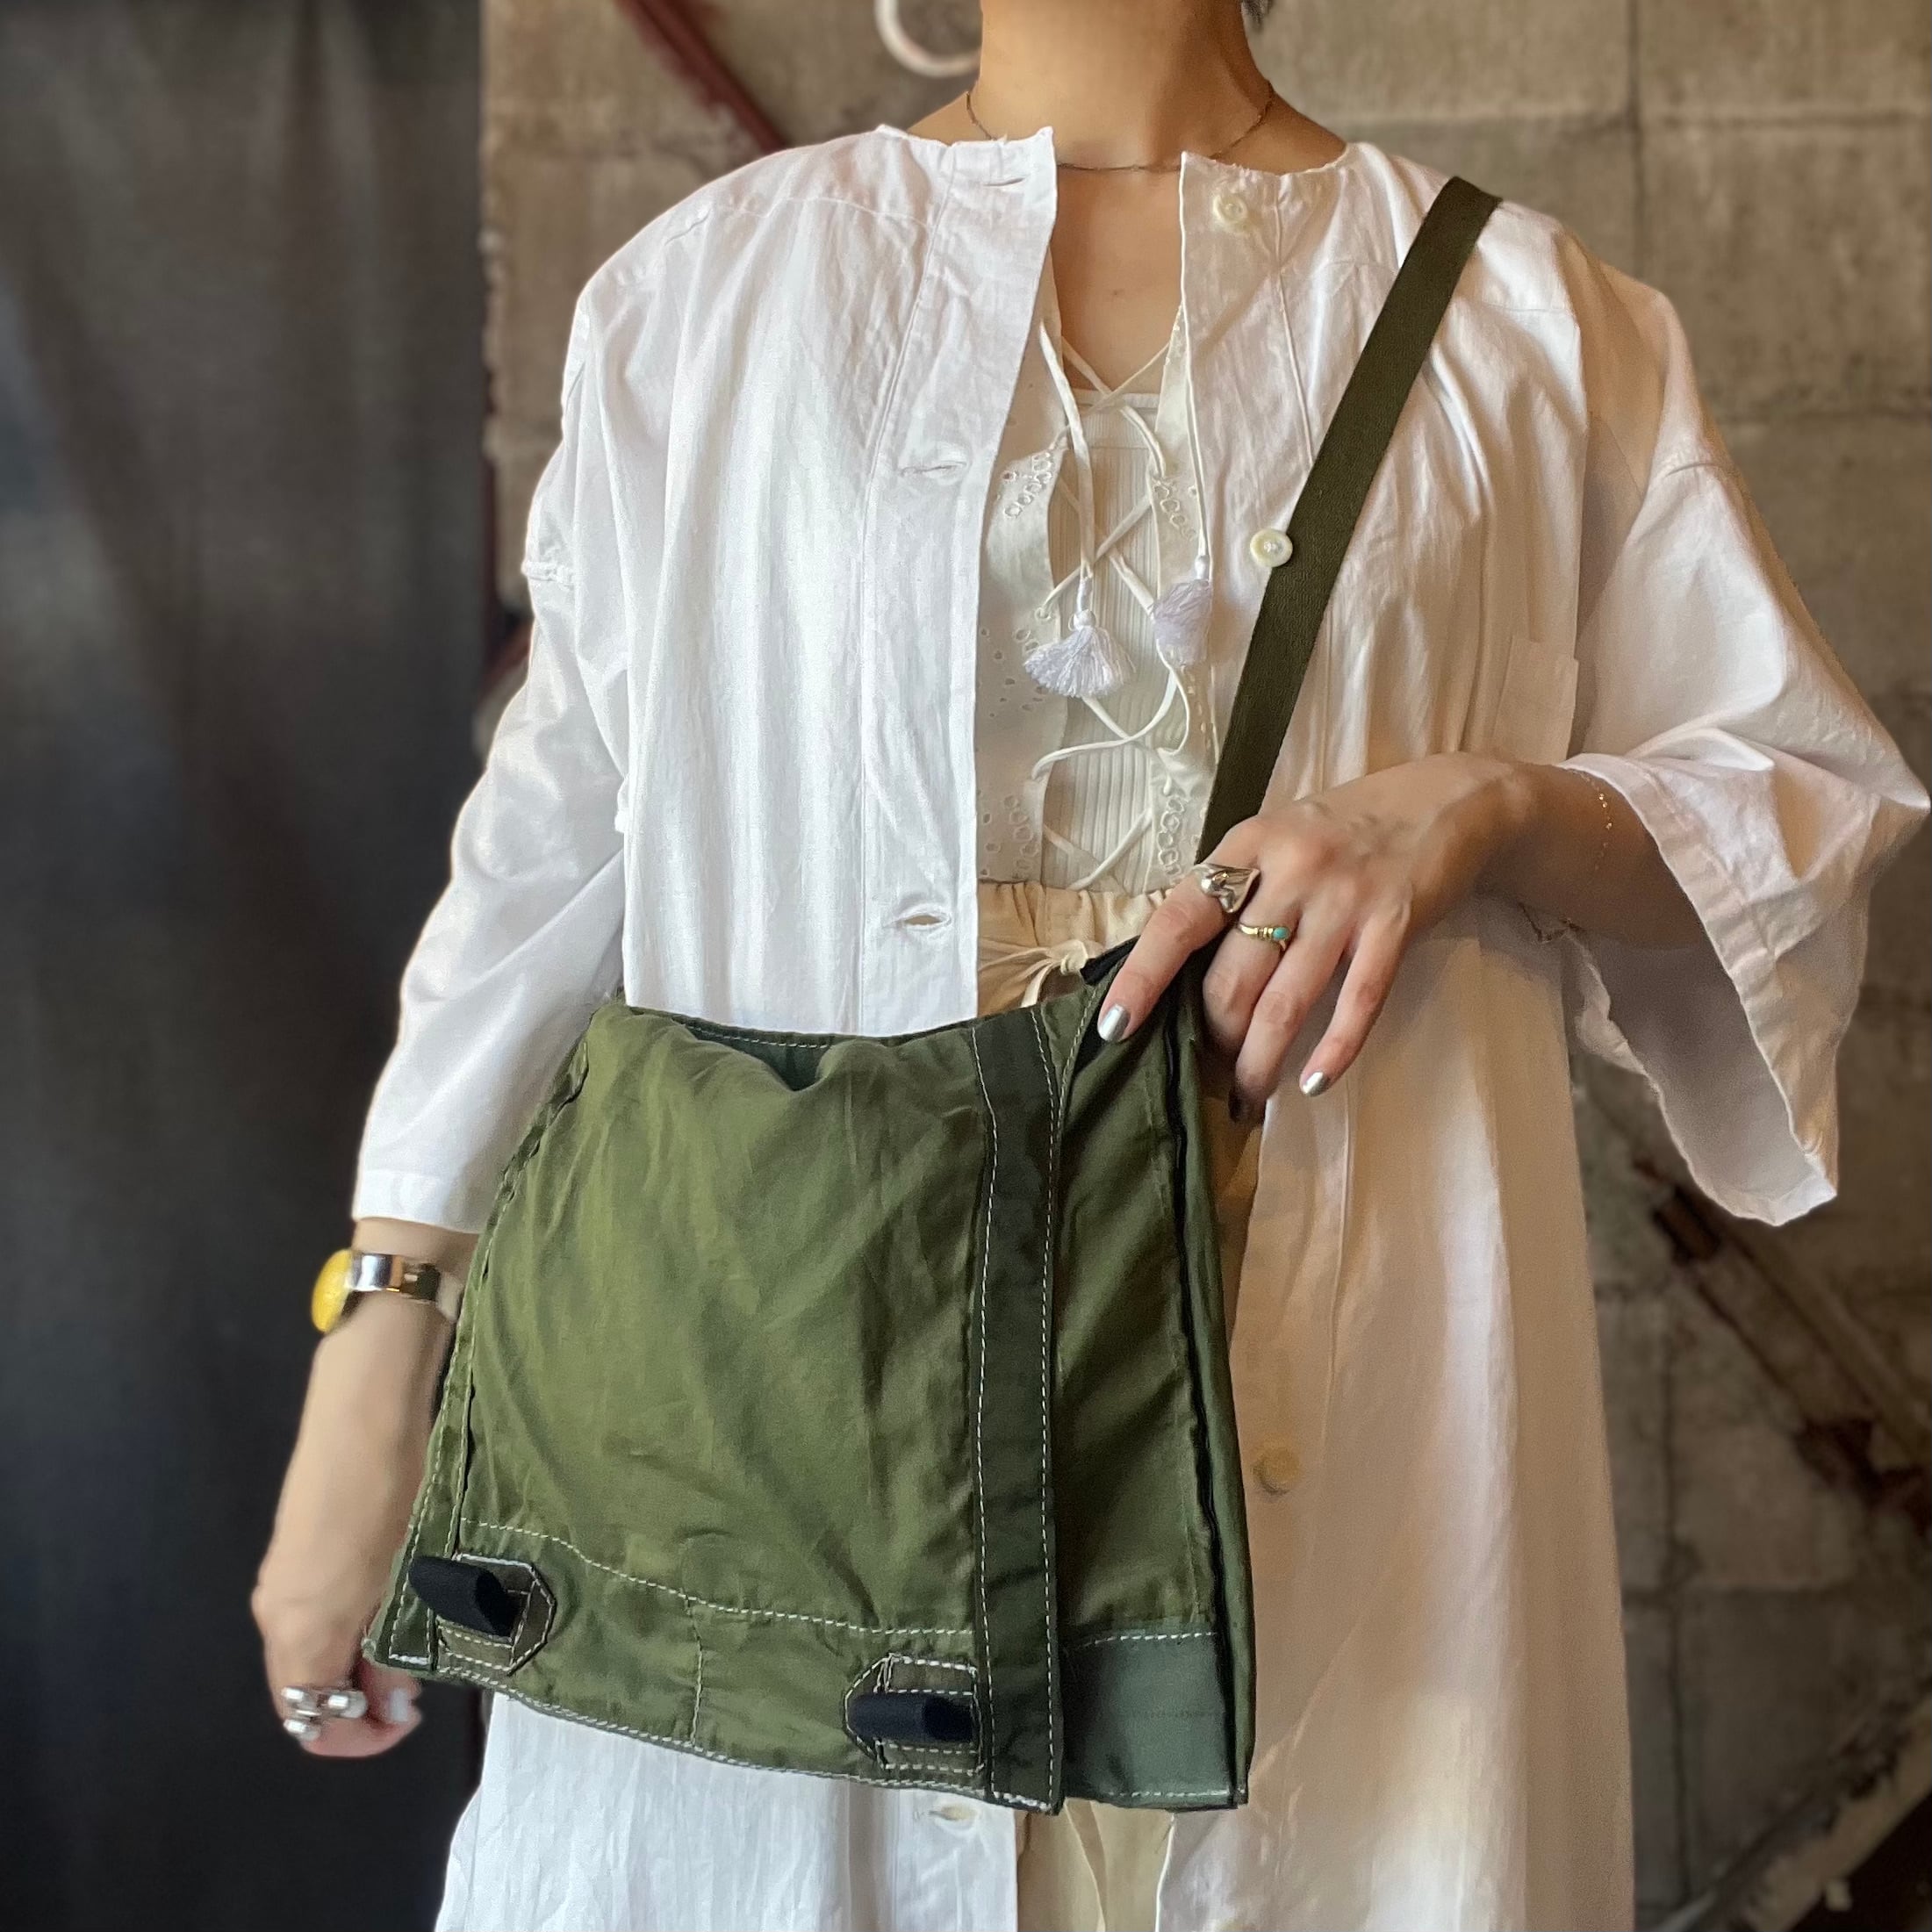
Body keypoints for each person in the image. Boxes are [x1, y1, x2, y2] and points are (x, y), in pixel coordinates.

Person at [251, 1, 1926, 1927]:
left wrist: (1485, 809)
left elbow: (1795, 814)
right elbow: (548, 859)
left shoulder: (1534, 326)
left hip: (1332, 1445)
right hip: (779, 1466)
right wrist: (381, 1351)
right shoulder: (708, 293)